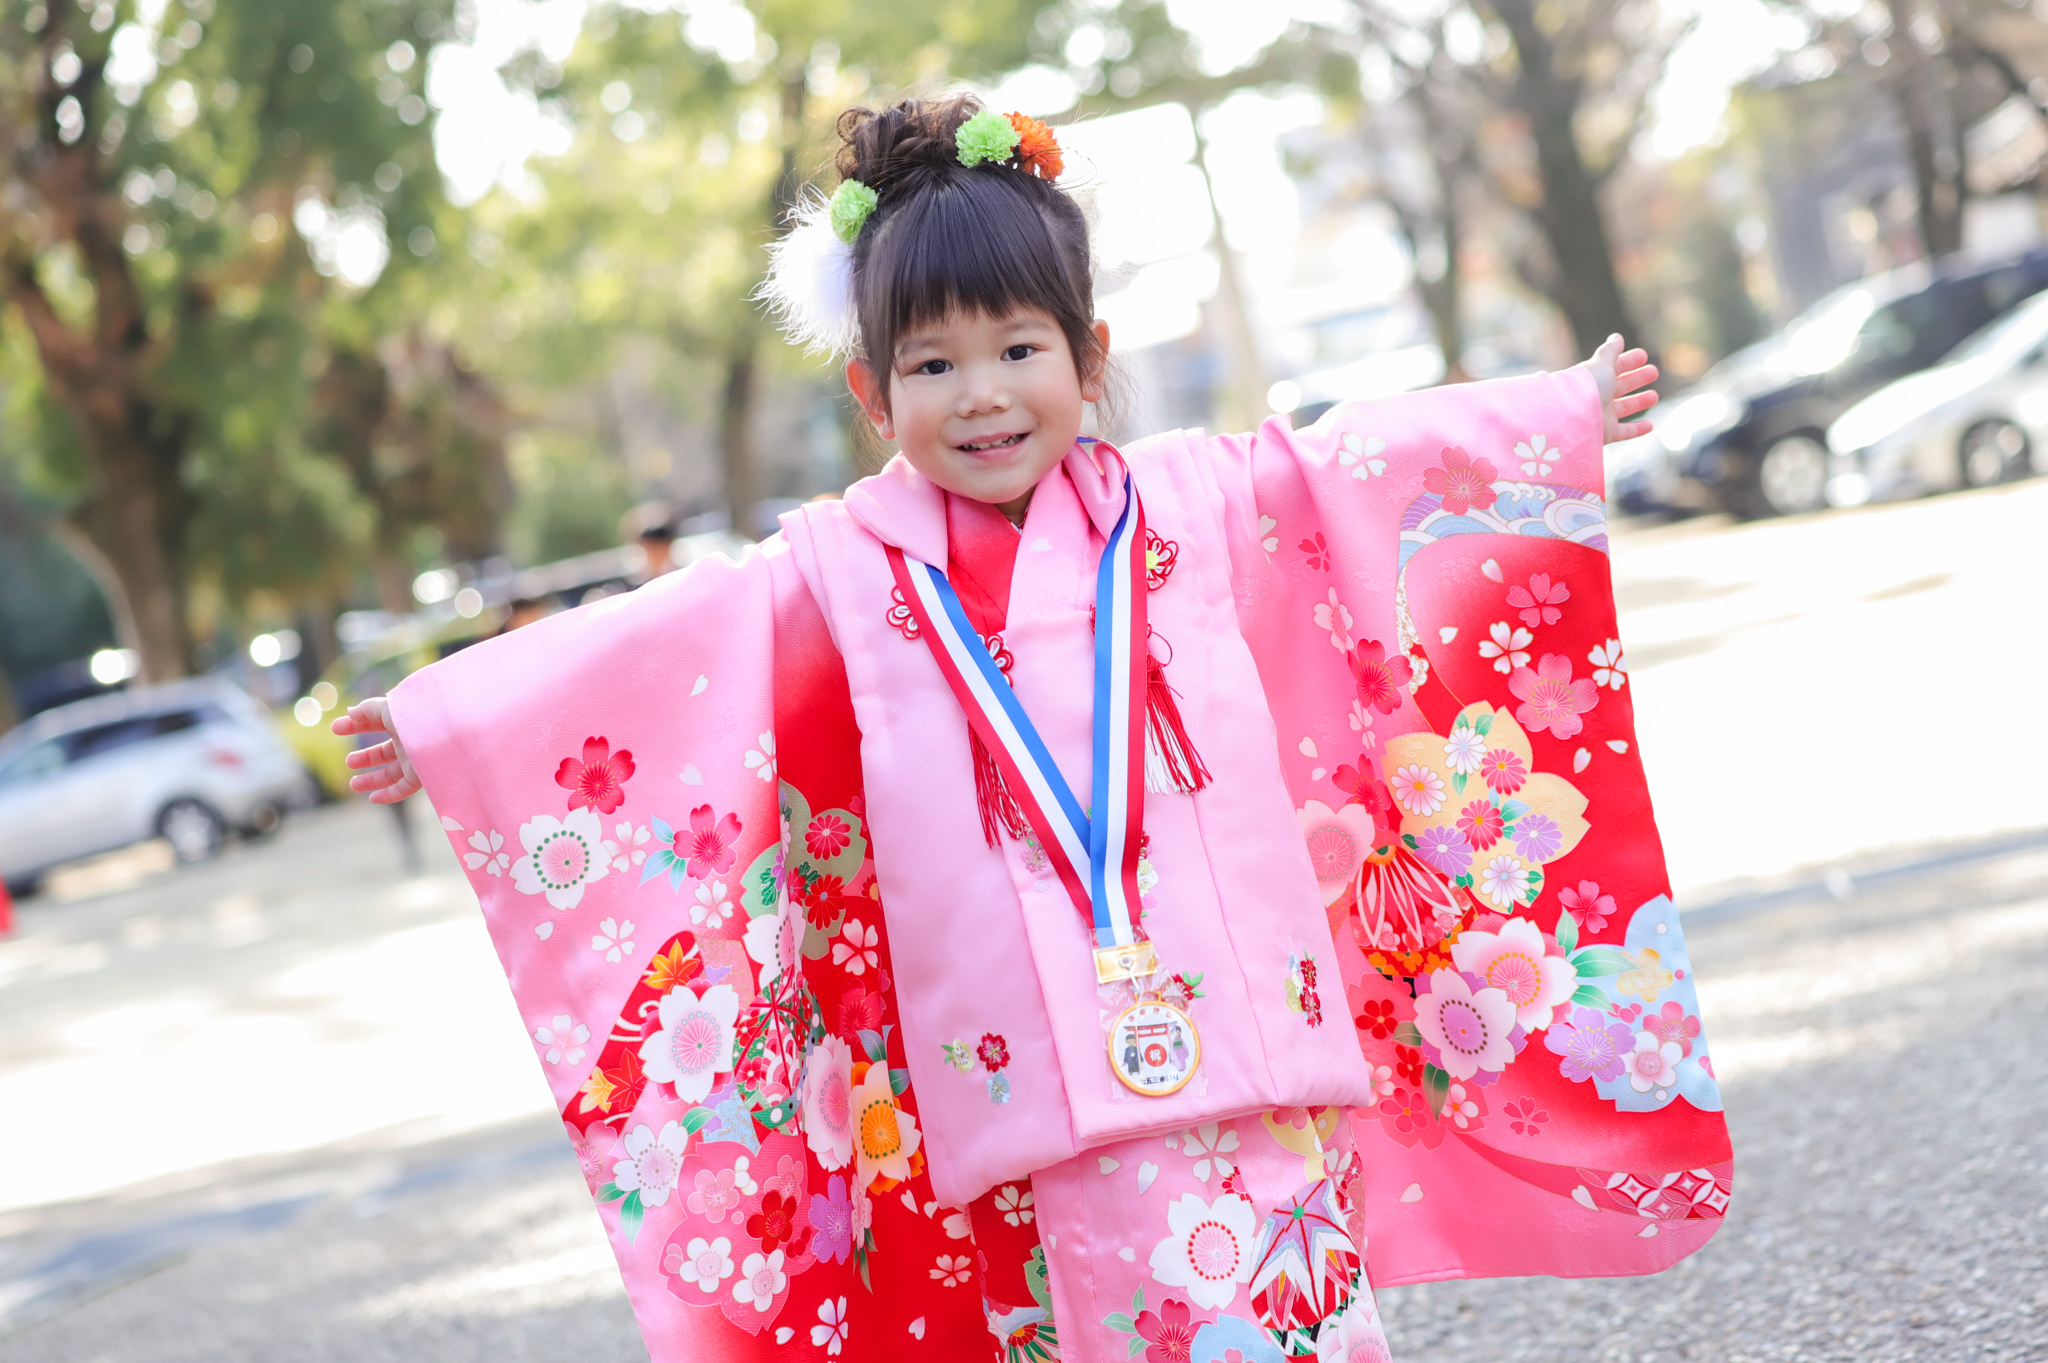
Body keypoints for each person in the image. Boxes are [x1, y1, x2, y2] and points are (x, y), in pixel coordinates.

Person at [336, 95, 1730, 1363]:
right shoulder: (841, 569)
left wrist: (1546, 422)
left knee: (1288, 1311)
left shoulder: (1189, 498)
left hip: (1245, 1033)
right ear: (872, 395)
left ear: (1089, 353)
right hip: (1016, 1079)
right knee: (1081, 1319)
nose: (984, 393)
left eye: (1018, 347)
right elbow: (666, 651)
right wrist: (454, 724)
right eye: (934, 365)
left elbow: (1347, 465)